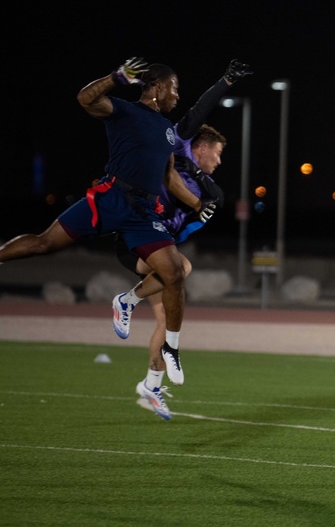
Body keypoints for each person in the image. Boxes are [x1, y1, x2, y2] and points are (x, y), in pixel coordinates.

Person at [0, 57, 253, 397]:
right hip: (110, 198)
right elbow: (85, 99)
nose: (177, 96)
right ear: (155, 88)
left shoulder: (167, 130)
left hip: (142, 214)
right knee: (43, 244)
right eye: (174, 89)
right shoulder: (125, 111)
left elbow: (168, 176)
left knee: (176, 272)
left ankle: (171, 348)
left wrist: (199, 205)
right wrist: (117, 77)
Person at [111, 64, 242, 420]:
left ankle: (151, 386)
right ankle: (125, 300)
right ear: (199, 148)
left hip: (159, 244)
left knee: (166, 314)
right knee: (182, 267)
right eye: (216, 153)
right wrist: (225, 80)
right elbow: (200, 110)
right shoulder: (180, 144)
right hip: (136, 232)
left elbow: (198, 217)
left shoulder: (210, 192)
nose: (218, 160)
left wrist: (199, 208)